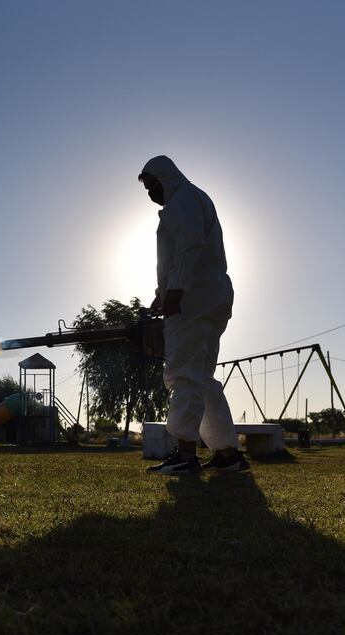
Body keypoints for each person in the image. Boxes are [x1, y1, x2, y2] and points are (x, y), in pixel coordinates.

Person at [139, 155, 249, 474]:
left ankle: (186, 455)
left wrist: (175, 294)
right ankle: (228, 454)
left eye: (151, 186)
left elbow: (189, 248)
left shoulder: (182, 200)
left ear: (163, 178)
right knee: (202, 378)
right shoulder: (193, 198)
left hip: (193, 300)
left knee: (184, 375)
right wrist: (162, 296)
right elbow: (182, 258)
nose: (149, 193)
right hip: (209, 298)